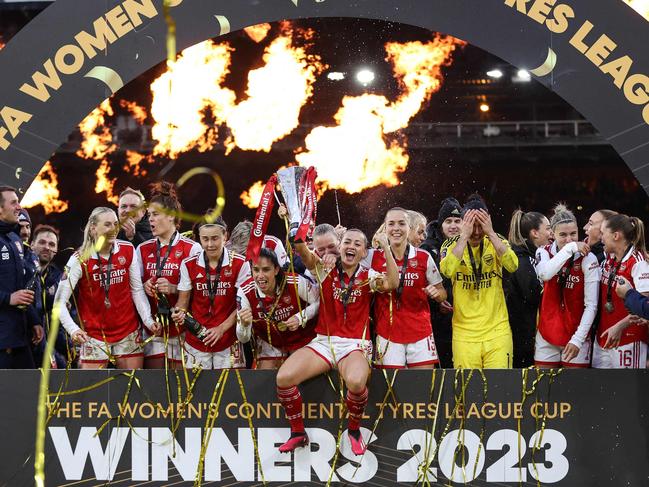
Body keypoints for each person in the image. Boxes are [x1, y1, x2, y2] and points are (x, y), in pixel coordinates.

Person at [274, 229, 398, 455]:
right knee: (283, 378)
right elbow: (305, 254)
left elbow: (392, 283)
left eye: (358, 244)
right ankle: (298, 433)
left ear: (364, 252)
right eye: (347, 242)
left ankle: (353, 431)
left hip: (354, 345)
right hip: (324, 342)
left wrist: (387, 249)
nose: (351, 246)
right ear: (339, 247)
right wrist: (296, 234)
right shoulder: (325, 268)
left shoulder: (368, 276)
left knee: (356, 382)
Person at [54, 207, 159, 369]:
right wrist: (73, 330)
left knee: (131, 390)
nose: (113, 229)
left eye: (116, 224)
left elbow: (137, 290)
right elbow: (59, 302)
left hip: (128, 333)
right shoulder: (79, 259)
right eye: (107, 225)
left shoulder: (127, 249)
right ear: (94, 228)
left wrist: (148, 320)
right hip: (94, 336)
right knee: (93, 392)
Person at [440, 194, 519, 369]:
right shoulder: (450, 244)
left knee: (500, 391)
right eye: (472, 227)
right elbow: (447, 271)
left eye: (480, 226)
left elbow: (512, 266)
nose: (476, 232)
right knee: (467, 391)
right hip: (464, 334)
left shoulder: (497, 240)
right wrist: (463, 236)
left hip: (497, 331)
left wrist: (490, 233)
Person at [372, 207, 446, 369]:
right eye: (391, 224)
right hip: (387, 334)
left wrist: (437, 294)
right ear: (385, 228)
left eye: (401, 224)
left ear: (408, 228)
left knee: (423, 387)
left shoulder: (423, 257)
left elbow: (442, 293)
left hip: (420, 332)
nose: (396, 228)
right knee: (390, 390)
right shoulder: (374, 257)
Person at [136, 182, 201, 369]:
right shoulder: (142, 249)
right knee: (155, 390)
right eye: (149, 216)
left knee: (180, 389)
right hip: (154, 331)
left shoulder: (191, 248)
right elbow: (135, 289)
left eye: (155, 214)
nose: (150, 220)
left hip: (182, 330)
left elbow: (203, 290)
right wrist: (145, 285)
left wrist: (174, 288)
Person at [172, 218, 250, 369]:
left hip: (229, 340)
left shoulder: (241, 263)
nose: (210, 244)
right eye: (205, 239)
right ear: (199, 238)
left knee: (231, 390)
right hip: (196, 340)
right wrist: (179, 312)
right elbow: (182, 303)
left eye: (215, 238)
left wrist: (221, 329)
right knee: (195, 391)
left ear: (225, 236)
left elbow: (243, 306)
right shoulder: (188, 264)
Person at [534, 205, 600, 368]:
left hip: (577, 335)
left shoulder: (588, 258)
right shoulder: (543, 252)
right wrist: (570, 249)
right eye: (563, 235)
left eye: (573, 234)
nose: (569, 239)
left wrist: (578, 339)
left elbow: (591, 305)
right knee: (543, 391)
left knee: (574, 391)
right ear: (552, 234)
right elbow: (545, 274)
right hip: (547, 334)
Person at [236, 248, 319, 369]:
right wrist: (244, 325)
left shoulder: (294, 282)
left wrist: (300, 317)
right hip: (270, 343)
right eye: (256, 270)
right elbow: (243, 339)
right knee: (265, 377)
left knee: (299, 370)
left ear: (276, 270)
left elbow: (319, 302)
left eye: (266, 269)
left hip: (301, 338)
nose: (260, 276)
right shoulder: (245, 292)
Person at [592, 214, 649, 369]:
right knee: (601, 389)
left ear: (616, 236)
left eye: (603, 233)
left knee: (627, 391)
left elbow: (644, 308)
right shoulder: (608, 259)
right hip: (603, 338)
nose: (600, 238)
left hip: (629, 339)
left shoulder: (639, 262)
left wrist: (619, 327)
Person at [0, 186, 43, 369]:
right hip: (2, 341)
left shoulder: (15, 239)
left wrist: (34, 320)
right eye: (14, 202)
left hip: (20, 336)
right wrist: (8, 298)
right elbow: (13, 295)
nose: (19, 207)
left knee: (31, 392)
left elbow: (21, 286)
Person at [505, 209, 551, 367]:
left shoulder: (532, 256)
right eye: (548, 228)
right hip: (522, 335)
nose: (551, 233)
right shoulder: (521, 259)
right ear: (535, 233)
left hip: (527, 332)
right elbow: (532, 295)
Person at [420, 197, 462, 368]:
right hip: (437, 322)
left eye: (457, 221)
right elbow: (420, 285)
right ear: (440, 224)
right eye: (448, 221)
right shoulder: (427, 248)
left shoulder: (471, 244)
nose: (453, 225)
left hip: (465, 319)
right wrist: (436, 302)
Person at [30, 225, 72, 369]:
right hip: (24, 342)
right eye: (42, 242)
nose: (47, 247)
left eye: (51, 244)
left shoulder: (59, 277)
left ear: (56, 251)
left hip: (49, 344)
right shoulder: (23, 271)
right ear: (32, 244)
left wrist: (70, 345)